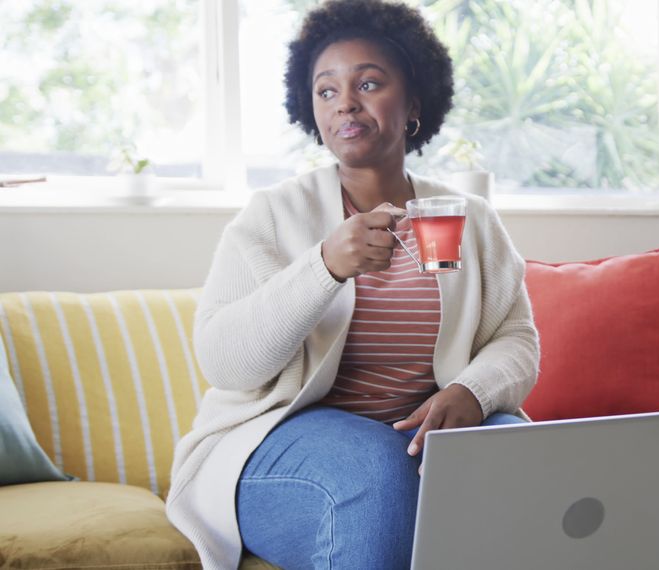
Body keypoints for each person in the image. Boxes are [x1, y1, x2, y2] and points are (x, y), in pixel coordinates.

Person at [164, 1, 540, 568]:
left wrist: (475, 393)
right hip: (281, 442)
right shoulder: (273, 216)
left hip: (421, 438)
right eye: (326, 91)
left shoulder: (466, 218)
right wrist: (324, 266)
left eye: (368, 83)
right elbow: (225, 363)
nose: (345, 102)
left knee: (518, 448)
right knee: (376, 466)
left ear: (413, 103)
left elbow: (516, 338)